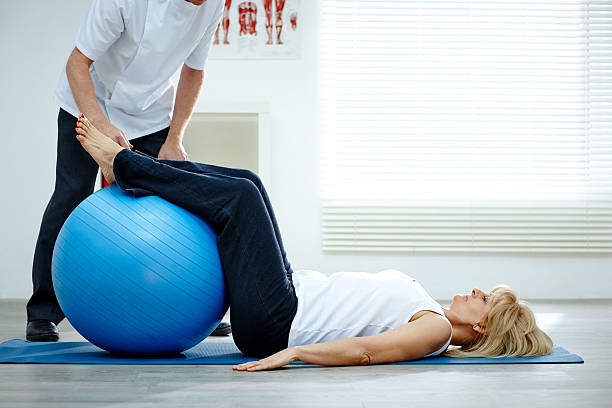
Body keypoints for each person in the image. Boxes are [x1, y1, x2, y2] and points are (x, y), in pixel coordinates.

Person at [74, 114, 554, 371]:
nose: (475, 291)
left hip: (279, 321)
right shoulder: (431, 310)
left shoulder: (436, 331)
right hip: (287, 293)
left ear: (486, 330)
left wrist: (296, 354)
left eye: (485, 299)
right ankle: (135, 171)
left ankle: (127, 166)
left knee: (239, 197)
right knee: (250, 183)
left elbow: (367, 350)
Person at [26, 0, 232, 342]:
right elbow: (78, 63)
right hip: (90, 101)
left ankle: (201, 306)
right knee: (70, 195)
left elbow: (194, 71)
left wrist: (175, 138)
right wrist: (99, 123)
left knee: (185, 196)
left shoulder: (212, 6)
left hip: (150, 113)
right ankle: (43, 312)